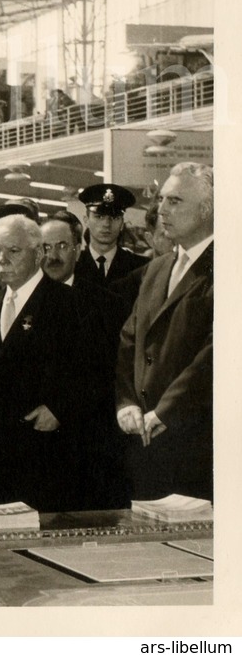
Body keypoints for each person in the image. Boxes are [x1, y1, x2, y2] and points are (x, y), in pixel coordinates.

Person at [0, 214, 84, 512]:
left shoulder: (69, 303)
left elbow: (91, 369)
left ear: (38, 253)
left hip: (44, 451)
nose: (1, 259)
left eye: (13, 251)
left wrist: (61, 408)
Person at [116, 163, 213, 501]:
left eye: (175, 201)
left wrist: (164, 411)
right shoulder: (157, 269)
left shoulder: (228, 267)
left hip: (196, 442)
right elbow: (131, 339)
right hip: (144, 440)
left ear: (206, 210)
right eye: (161, 200)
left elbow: (213, 356)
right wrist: (126, 401)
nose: (161, 210)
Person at [41, 211, 129, 509]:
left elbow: (109, 374)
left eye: (63, 246)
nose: (52, 256)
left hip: (88, 447)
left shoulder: (106, 305)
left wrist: (62, 408)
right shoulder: (16, 302)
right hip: (36, 447)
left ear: (79, 248)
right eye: (45, 247)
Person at [75, 184, 148, 288]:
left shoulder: (141, 267)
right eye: (99, 217)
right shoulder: (72, 265)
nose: (106, 224)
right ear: (86, 220)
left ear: (122, 223)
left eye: (114, 218)